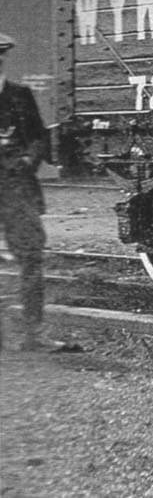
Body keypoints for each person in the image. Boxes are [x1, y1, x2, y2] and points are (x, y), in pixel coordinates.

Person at [0, 33, 65, 352]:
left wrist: (28, 159)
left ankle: (33, 333)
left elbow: (39, 137)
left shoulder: (20, 95)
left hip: (17, 188)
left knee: (32, 256)